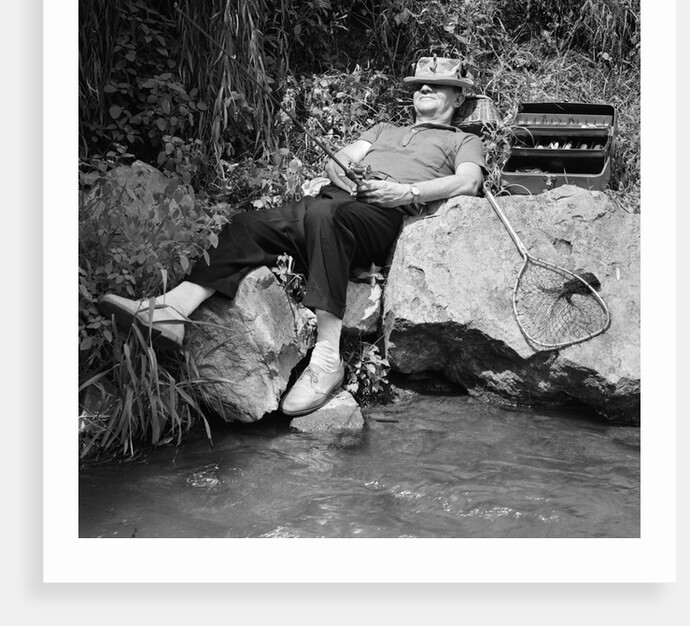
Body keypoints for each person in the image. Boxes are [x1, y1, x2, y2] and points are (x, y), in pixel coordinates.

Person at [98, 56, 486, 416]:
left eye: (434, 85)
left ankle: (328, 360)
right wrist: (347, 176)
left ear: (458, 95)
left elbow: (469, 182)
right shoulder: (385, 128)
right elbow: (343, 158)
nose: (423, 90)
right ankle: (172, 308)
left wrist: (407, 192)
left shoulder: (462, 140)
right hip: (333, 205)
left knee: (324, 216)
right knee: (246, 224)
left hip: (380, 217)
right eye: (418, 85)